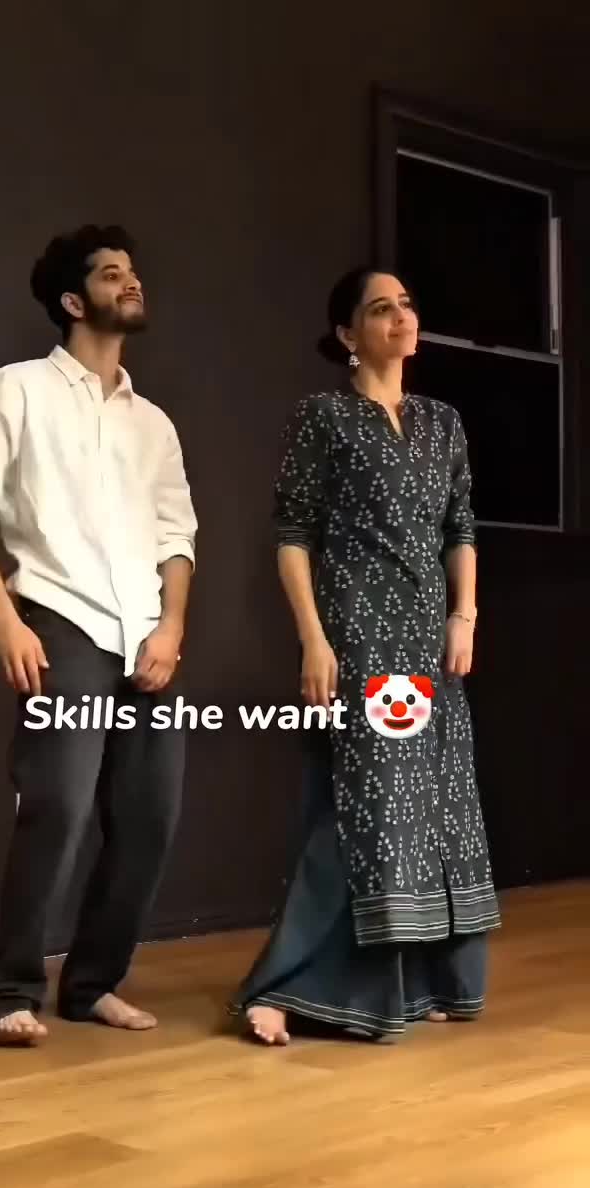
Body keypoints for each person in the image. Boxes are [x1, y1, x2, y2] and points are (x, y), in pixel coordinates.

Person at [229, 267, 500, 1045]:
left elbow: (461, 526)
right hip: (361, 633)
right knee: (370, 807)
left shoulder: (442, 422)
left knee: (436, 803)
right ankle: (292, 987)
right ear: (348, 334)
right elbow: (293, 534)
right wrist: (314, 638)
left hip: (431, 639)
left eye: (407, 305)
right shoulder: (323, 417)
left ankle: (433, 979)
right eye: (382, 309)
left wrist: (465, 615)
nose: (402, 317)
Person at [0, 224, 197, 1046]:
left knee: (150, 818)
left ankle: (92, 985)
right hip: (61, 619)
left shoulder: (153, 423)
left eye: (133, 270)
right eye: (112, 273)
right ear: (72, 299)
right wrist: (2, 614)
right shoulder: (13, 390)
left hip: (146, 632)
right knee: (56, 807)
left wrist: (172, 625)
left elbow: (177, 535)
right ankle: (12, 992)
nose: (131, 282)